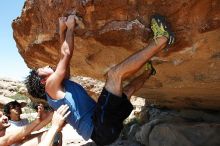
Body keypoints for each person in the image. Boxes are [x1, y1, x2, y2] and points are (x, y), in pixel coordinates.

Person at [25, 14, 175, 145]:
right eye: (42, 69)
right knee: (114, 75)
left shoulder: (58, 87)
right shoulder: (50, 88)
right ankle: (162, 39)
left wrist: (62, 30)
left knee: (127, 92)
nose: (46, 65)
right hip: (99, 127)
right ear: (43, 81)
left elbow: (64, 57)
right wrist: (70, 27)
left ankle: (149, 71)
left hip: (104, 132)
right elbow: (66, 55)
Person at [0, 104, 70, 146]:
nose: (5, 117)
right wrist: (54, 127)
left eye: (3, 115)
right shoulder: (9, 129)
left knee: (55, 134)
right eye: (0, 116)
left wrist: (51, 116)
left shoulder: (8, 130)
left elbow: (31, 130)